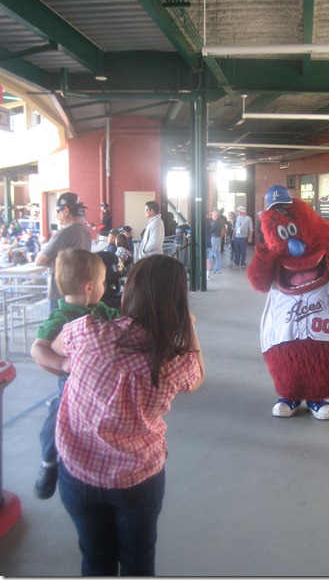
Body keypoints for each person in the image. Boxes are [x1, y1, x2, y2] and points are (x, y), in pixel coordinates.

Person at [45, 255, 204, 576]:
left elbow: (57, 348)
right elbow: (198, 376)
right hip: (138, 478)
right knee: (138, 561)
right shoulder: (175, 360)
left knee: (95, 559)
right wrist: (189, 327)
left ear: (130, 290)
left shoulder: (88, 330)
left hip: (79, 471)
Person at [31, 249, 119, 500]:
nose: (105, 287)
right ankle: (49, 462)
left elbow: (124, 326)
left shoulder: (102, 311)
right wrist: (63, 363)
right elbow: (38, 349)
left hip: (103, 383)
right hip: (72, 386)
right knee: (57, 416)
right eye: (103, 282)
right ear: (90, 287)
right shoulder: (60, 317)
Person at [35, 192, 91, 311]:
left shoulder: (64, 233)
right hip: (78, 293)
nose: (58, 216)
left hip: (60, 296)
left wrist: (53, 260)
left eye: (58, 211)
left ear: (66, 210)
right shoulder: (85, 232)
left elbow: (39, 261)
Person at [210, 209, 225, 274]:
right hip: (217, 238)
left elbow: (211, 230)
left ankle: (209, 269)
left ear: (215, 215)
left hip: (214, 238)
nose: (212, 215)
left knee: (210, 254)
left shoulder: (216, 222)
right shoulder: (220, 221)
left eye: (212, 214)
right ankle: (217, 268)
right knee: (217, 254)